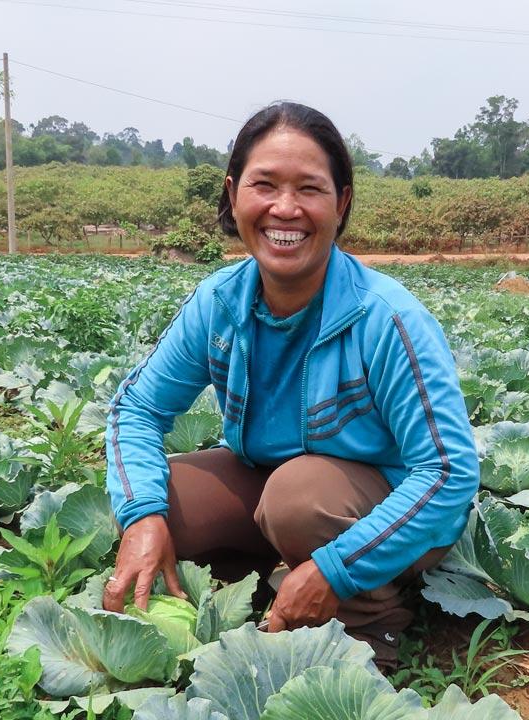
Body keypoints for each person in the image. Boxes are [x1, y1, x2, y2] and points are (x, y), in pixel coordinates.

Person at [102, 101, 479, 668]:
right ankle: (272, 583)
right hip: (273, 490)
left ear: (341, 202)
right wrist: (141, 518)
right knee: (162, 502)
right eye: (264, 185)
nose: (285, 208)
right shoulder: (221, 301)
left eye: (309, 188)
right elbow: (136, 410)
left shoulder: (385, 316)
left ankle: (370, 623)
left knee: (299, 499)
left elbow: (449, 474)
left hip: (389, 508)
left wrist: (333, 567)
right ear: (234, 196)